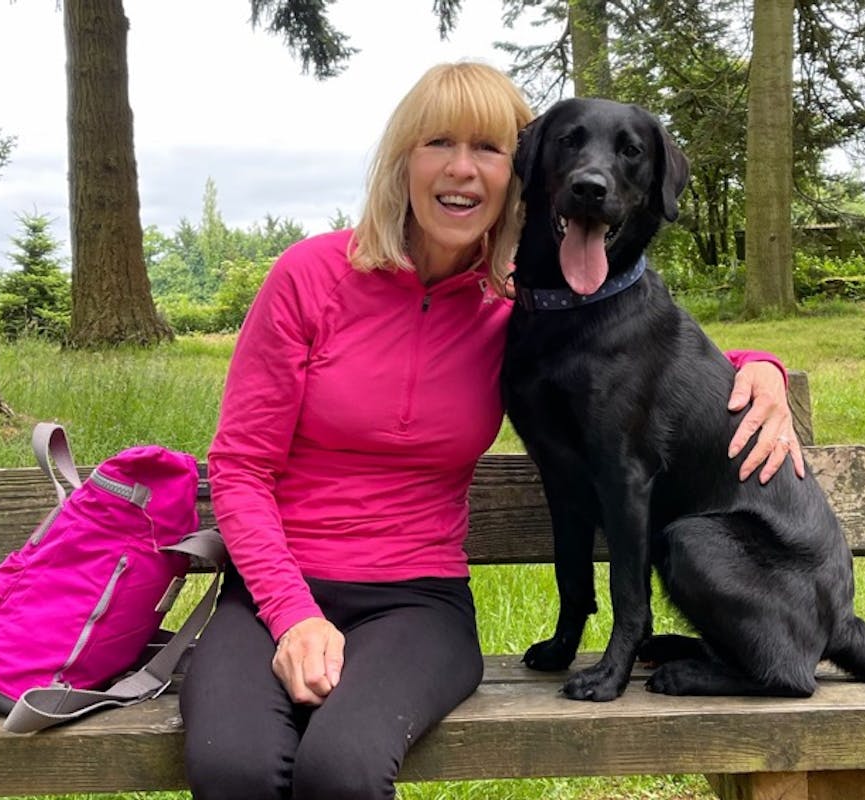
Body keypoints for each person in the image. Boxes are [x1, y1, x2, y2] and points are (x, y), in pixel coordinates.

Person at [180, 61, 804, 800]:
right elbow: (241, 468)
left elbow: (641, 360)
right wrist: (293, 616)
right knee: (234, 768)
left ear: (521, 171)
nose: (462, 169)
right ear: (401, 160)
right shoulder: (310, 276)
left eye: (489, 149)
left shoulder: (518, 307)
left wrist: (758, 363)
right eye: (439, 142)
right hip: (268, 594)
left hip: (416, 602)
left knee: (341, 772)